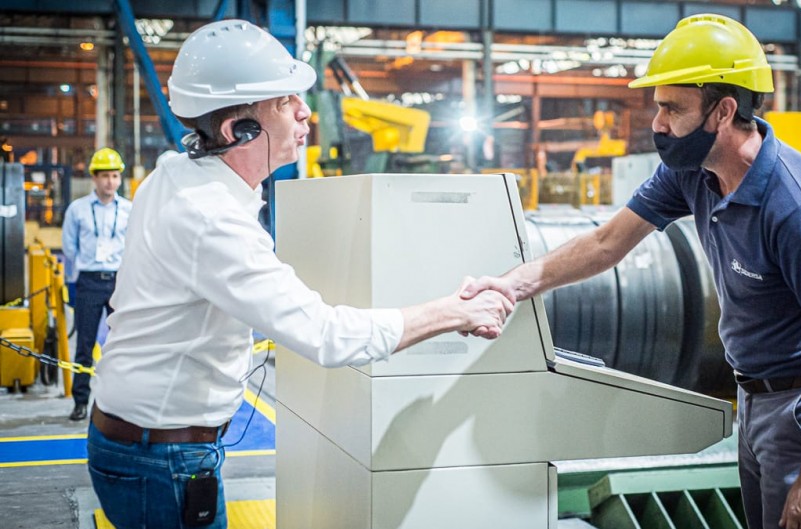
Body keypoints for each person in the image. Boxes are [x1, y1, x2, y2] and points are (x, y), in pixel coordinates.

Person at [85, 19, 513, 529]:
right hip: (162, 461)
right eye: (286, 101)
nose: (305, 111)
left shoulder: (176, 174)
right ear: (239, 131)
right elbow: (327, 336)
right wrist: (455, 311)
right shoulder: (210, 218)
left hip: (144, 442)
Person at [462, 14, 801, 529]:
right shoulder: (694, 172)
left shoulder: (792, 205)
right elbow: (607, 243)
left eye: (672, 108)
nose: (657, 123)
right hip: (751, 396)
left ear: (723, 111)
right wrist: (512, 284)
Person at [60, 147, 132, 421]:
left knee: (122, 344)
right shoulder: (77, 209)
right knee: (85, 344)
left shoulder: (129, 210)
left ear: (119, 178)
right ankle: (80, 402)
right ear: (94, 177)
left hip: (118, 282)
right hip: (89, 281)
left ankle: (121, 402)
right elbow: (69, 247)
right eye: (104, 176)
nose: (110, 182)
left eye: (114, 176)